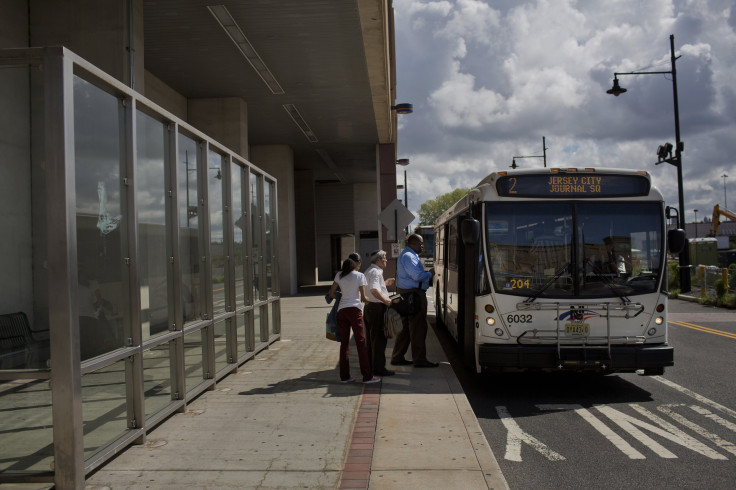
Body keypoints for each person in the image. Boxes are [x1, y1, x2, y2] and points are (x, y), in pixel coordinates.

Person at [328, 255, 381, 384]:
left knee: (344, 344)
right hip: (354, 310)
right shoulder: (359, 276)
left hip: (341, 311)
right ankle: (367, 376)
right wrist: (368, 300)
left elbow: (331, 293)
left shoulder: (339, 275)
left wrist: (341, 298)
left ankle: (345, 377)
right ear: (355, 264)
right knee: (361, 343)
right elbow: (364, 297)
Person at [391, 234, 438, 368]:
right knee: (418, 328)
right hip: (413, 295)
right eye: (420, 244)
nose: (423, 246)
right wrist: (430, 273)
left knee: (406, 328)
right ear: (412, 243)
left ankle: (397, 356)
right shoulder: (409, 256)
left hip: (407, 294)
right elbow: (417, 276)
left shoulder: (409, 255)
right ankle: (420, 360)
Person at [363, 250, 396, 376]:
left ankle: (372, 367)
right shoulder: (376, 272)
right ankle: (379, 369)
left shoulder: (369, 270)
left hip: (369, 308)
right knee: (379, 340)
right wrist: (386, 301)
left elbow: (374, 288)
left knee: (371, 340)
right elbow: (373, 290)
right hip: (376, 308)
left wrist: (384, 284)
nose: (386, 260)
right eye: (384, 258)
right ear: (378, 260)